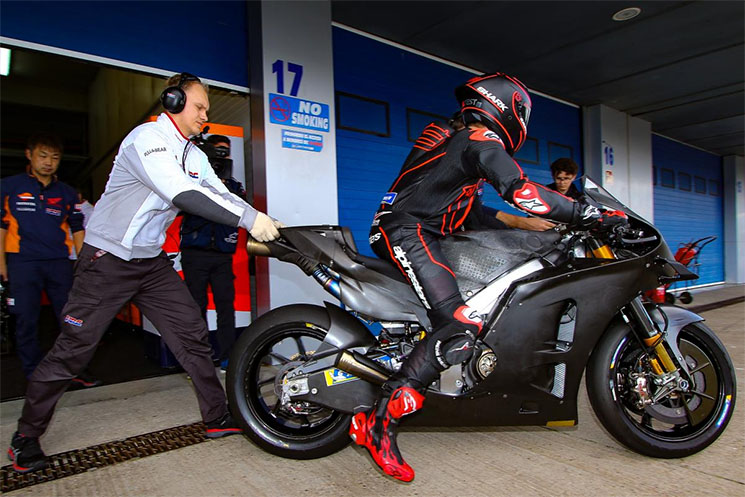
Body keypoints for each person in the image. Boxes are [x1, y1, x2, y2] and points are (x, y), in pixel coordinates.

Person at [351, 73, 627, 481]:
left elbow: (472, 211)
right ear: (508, 108)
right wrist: (588, 213)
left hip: (419, 229)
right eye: (523, 113)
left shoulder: (459, 143)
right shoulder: (480, 141)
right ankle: (378, 425)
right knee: (458, 327)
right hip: (408, 232)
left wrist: (524, 227)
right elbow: (522, 190)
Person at [7, 73, 283, 474]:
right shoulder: (146, 139)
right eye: (200, 106)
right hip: (108, 259)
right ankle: (25, 437)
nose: (205, 115)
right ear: (172, 100)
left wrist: (260, 217)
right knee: (73, 350)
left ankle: (216, 416)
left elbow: (219, 193)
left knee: (191, 332)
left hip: (149, 262)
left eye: (208, 109)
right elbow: (181, 194)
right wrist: (247, 220)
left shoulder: (194, 154)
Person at [0, 134, 91, 381]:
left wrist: (82, 263)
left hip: (59, 262)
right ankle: (34, 373)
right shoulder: (9, 187)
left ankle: (74, 371)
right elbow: (2, 226)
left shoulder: (67, 192)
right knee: (26, 320)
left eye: (55, 157)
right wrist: (1, 264)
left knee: (70, 319)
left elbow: (77, 227)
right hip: (22, 262)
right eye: (43, 156)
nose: (49, 162)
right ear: (29, 155)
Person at [179, 134, 244, 370]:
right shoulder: (191, 180)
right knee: (195, 309)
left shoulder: (234, 185)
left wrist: (226, 188)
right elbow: (182, 207)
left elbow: (240, 212)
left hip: (223, 256)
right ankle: (198, 361)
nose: (221, 156)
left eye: (225, 151)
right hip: (195, 254)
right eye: (217, 151)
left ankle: (228, 357)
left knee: (226, 307)